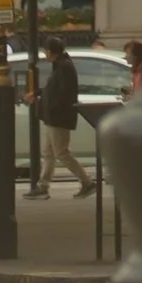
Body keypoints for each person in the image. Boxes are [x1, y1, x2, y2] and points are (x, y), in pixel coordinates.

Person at [34, 41, 91, 197]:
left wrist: (52, 107)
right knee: (48, 152)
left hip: (58, 116)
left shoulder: (64, 67)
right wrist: (39, 93)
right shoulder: (60, 65)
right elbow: (53, 89)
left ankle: (87, 182)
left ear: (53, 52)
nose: (45, 54)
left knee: (61, 153)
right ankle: (43, 185)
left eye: (46, 51)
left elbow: (63, 93)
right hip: (53, 116)